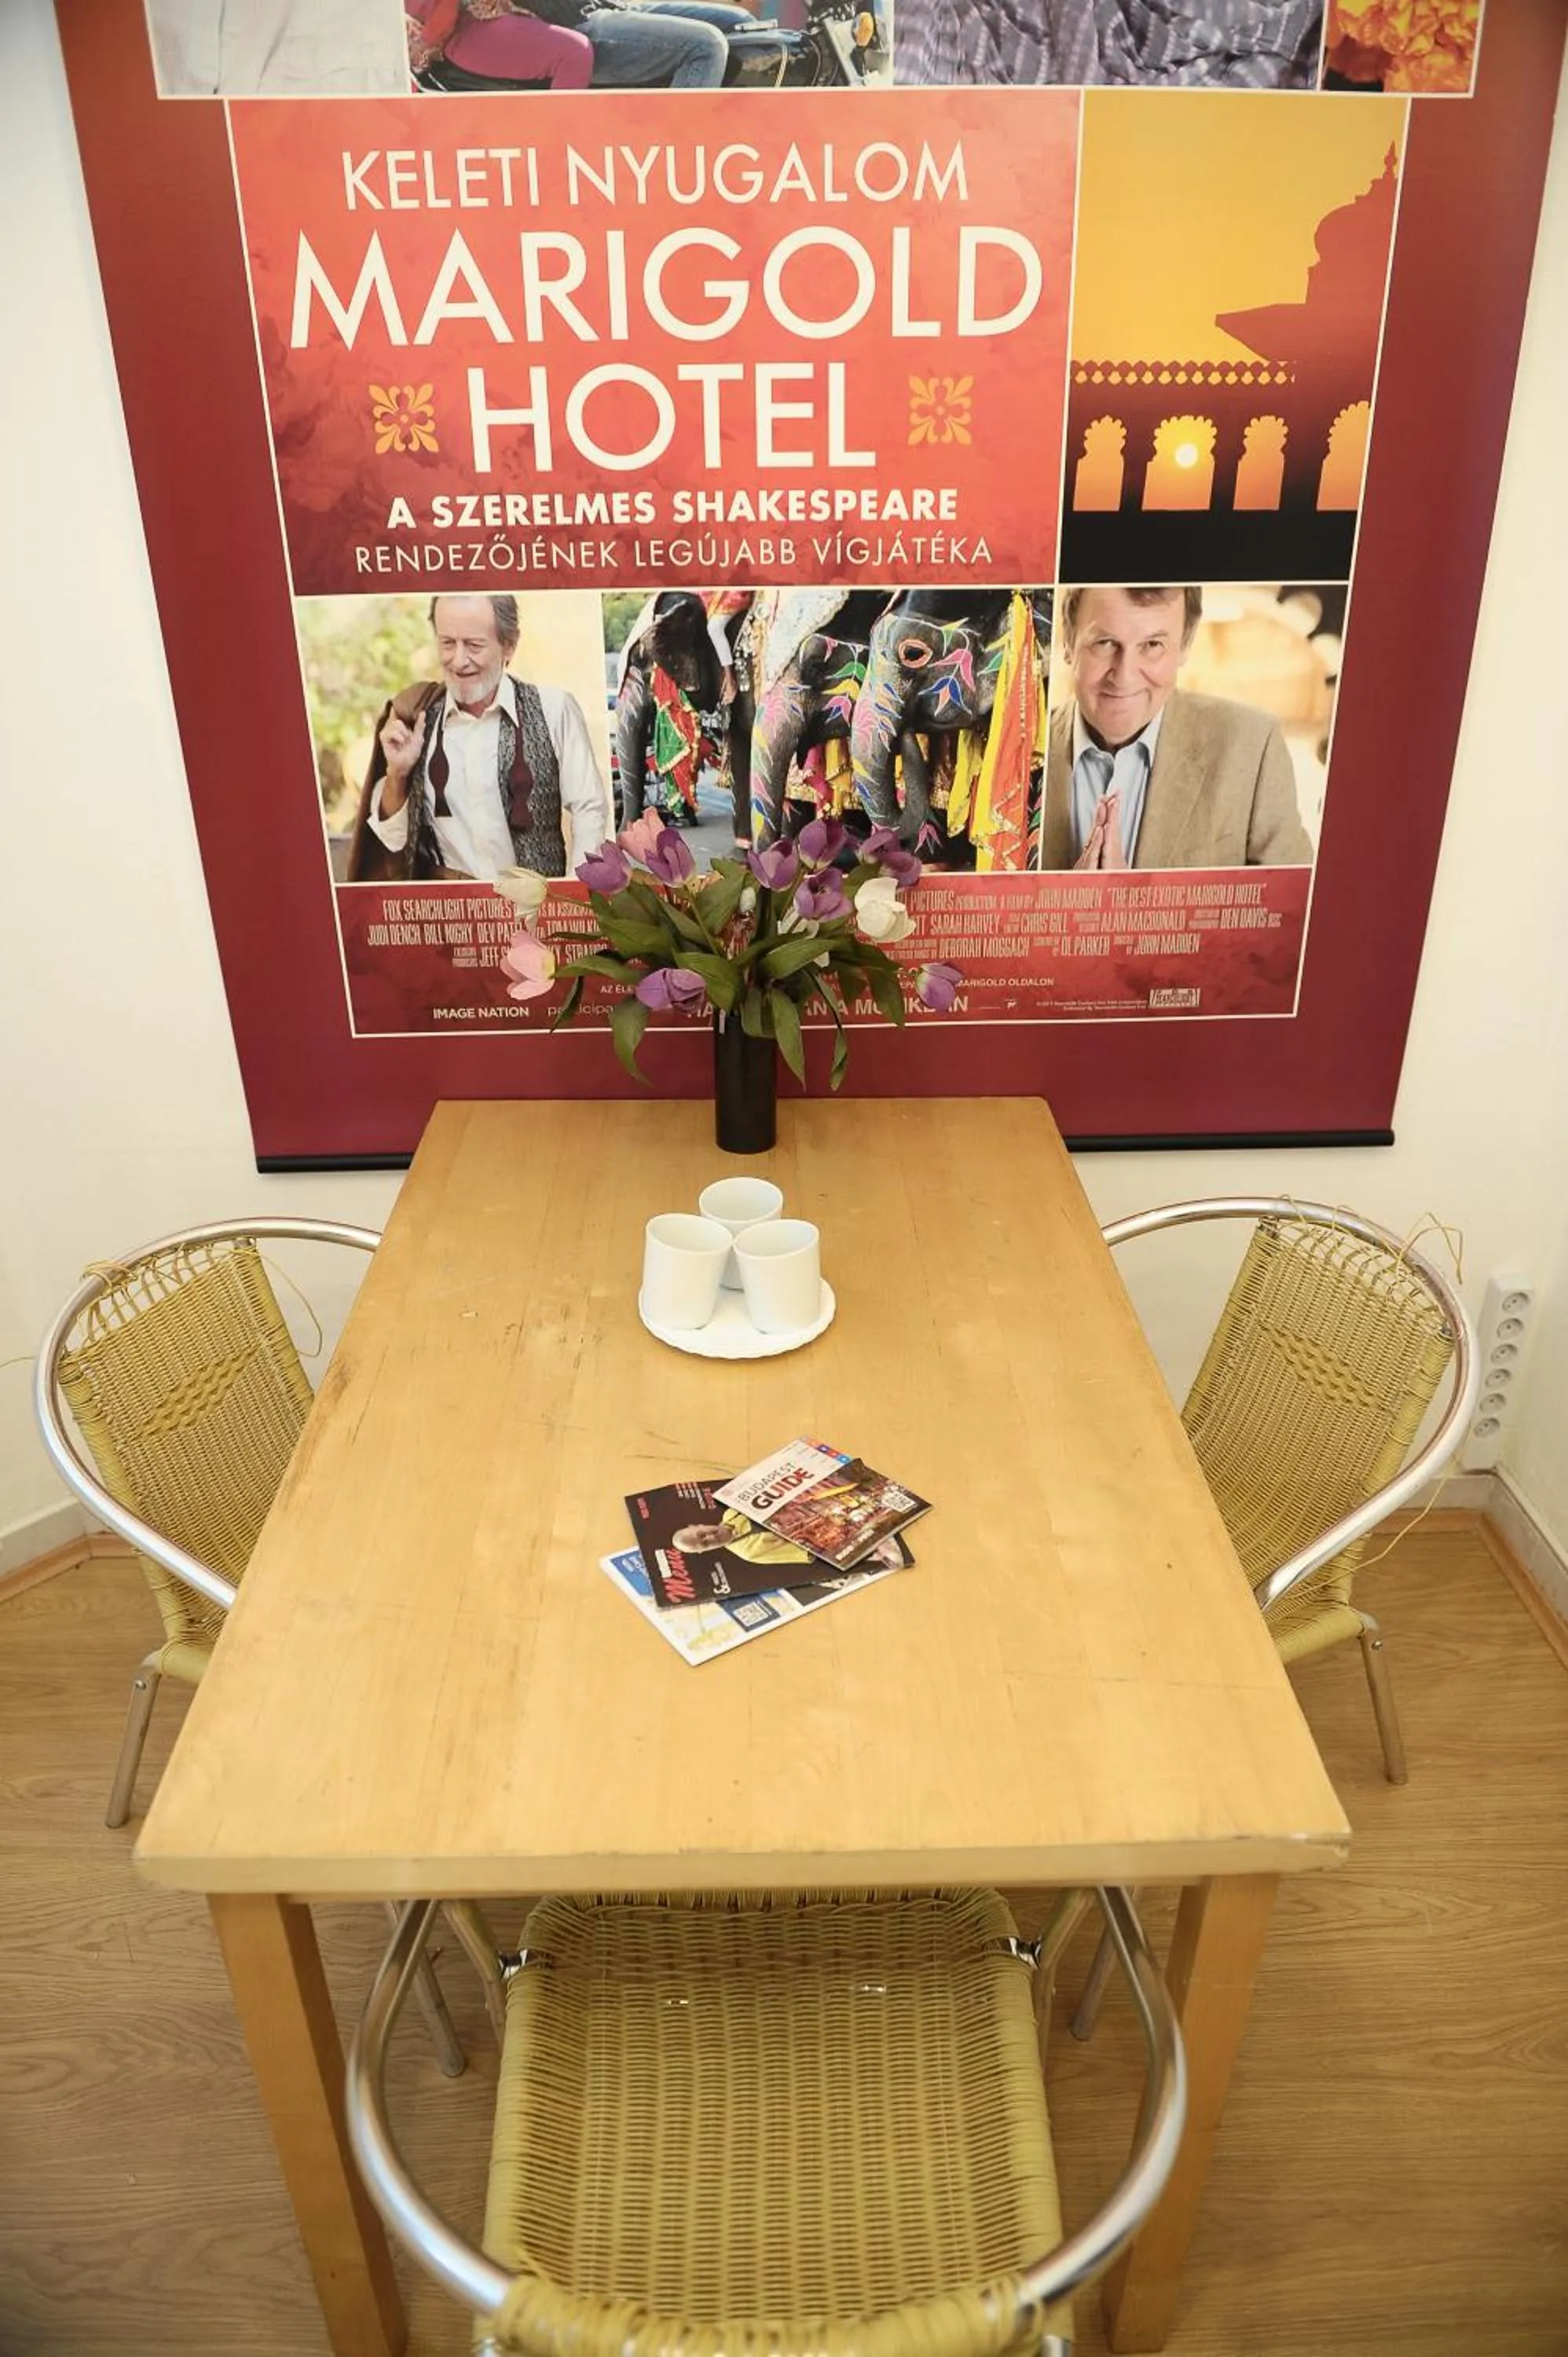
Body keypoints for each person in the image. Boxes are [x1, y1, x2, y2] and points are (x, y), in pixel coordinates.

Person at [1037, 585, 1312, 871]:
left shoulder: (1254, 749)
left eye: (1153, 645)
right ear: (1068, 641)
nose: (1125, 677)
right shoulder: (1011, 754)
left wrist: (1128, 905)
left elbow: (1298, 908)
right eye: (1105, 642)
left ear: (1184, 645)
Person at [346, 594, 611, 883]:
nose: (459, 661)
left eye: (474, 645)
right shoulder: (417, 717)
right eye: (448, 643)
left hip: (534, 912)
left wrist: (575, 893)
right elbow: (393, 842)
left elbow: (589, 810)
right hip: (451, 916)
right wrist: (397, 774)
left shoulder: (554, 709)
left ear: (509, 645)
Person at [407, 0, 737, 90]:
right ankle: (679, 162)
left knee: (739, 22)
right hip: (578, 23)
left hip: (608, 5)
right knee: (707, 45)